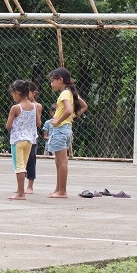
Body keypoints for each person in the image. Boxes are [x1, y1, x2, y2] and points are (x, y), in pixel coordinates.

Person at [46, 67, 87, 198]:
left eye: (53, 81)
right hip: (66, 129)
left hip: (60, 130)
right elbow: (84, 106)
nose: (51, 84)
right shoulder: (70, 92)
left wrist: (58, 121)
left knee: (62, 162)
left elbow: (69, 110)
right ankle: (58, 189)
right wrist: (71, 118)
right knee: (58, 161)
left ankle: (62, 191)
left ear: (61, 80)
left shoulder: (64, 93)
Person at [6, 80, 37, 200]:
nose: (13, 97)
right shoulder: (34, 106)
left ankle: (20, 193)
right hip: (29, 140)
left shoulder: (16, 108)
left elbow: (8, 126)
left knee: (18, 166)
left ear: (17, 93)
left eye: (13, 94)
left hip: (18, 140)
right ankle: (20, 190)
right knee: (23, 165)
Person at [24, 81, 43, 194]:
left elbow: (38, 123)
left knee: (31, 160)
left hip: (32, 136)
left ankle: (30, 185)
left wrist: (33, 111)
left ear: (34, 93)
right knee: (21, 161)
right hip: (21, 136)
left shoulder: (37, 106)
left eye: (28, 93)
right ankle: (20, 185)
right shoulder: (18, 106)